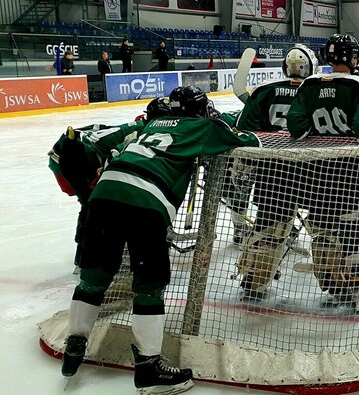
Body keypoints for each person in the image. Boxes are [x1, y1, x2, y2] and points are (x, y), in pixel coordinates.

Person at [60, 86, 260, 393]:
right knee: (149, 285)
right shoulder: (203, 126)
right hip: (146, 201)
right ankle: (149, 368)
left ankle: (75, 346)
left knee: (94, 277)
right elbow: (250, 141)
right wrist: (221, 124)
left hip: (104, 194)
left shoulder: (151, 123)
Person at [288, 33, 359, 302]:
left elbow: (296, 129)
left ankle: (354, 273)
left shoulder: (309, 85)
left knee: (348, 223)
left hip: (324, 170)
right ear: (353, 58)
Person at [231, 44, 318, 298]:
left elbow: (245, 130)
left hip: (273, 172)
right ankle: (338, 281)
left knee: (269, 226)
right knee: (325, 225)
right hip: (314, 170)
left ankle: (255, 280)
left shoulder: (265, 91)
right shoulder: (316, 92)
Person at [47, 112, 155, 269]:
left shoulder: (134, 127)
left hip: (66, 154)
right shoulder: (142, 133)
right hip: (70, 159)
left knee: (95, 203)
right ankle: (86, 258)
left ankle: (85, 255)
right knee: (95, 205)